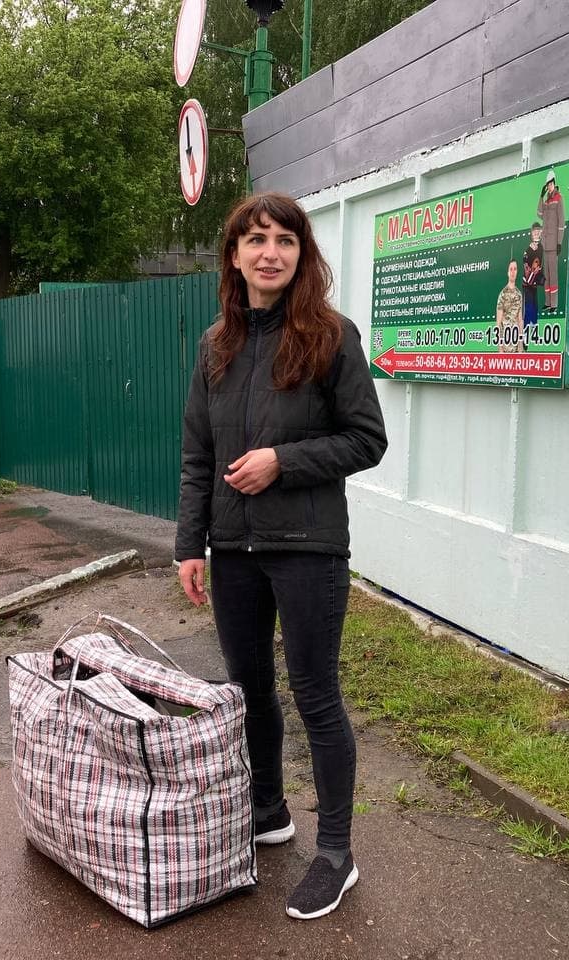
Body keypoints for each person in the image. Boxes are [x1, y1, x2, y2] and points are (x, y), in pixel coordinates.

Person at [175, 192, 387, 921]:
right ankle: (268, 812)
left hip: (307, 548)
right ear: (234, 256)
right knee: (249, 689)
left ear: (302, 254)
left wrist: (282, 462)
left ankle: (336, 854)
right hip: (233, 550)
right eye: (257, 240)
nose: (271, 253)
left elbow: (367, 439)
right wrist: (190, 545)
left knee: (315, 695)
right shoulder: (216, 346)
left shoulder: (331, 336)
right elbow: (198, 455)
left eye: (286, 240)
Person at [537, 170, 566, 311]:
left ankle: (554, 304)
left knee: (553, 275)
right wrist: (541, 197)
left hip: (554, 243)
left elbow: (561, 222)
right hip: (545, 244)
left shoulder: (558, 198)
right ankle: (547, 302)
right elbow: (539, 214)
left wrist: (559, 242)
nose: (549, 186)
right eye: (547, 185)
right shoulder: (547, 200)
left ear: (554, 183)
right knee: (547, 275)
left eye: (550, 184)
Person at [496, 259, 524, 353]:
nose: (513, 272)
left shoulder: (519, 294)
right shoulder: (503, 294)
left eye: (515, 269)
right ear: (508, 272)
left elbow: (520, 320)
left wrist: (520, 347)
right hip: (505, 346)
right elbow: (498, 322)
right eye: (511, 269)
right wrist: (500, 349)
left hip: (516, 347)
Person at [522, 222, 544, 336]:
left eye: (538, 231)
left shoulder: (541, 247)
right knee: (529, 307)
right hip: (527, 284)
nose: (536, 233)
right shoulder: (529, 249)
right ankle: (525, 333)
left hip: (534, 284)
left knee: (534, 308)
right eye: (534, 231)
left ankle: (534, 334)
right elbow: (525, 260)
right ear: (531, 233)